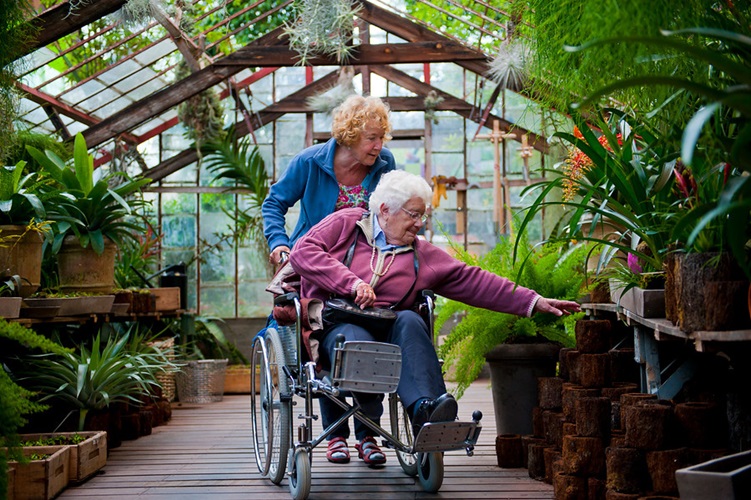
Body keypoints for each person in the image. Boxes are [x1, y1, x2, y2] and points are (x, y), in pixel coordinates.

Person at [288, 170, 582, 457]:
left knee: (411, 320)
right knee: (358, 340)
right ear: (385, 210)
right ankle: (358, 432)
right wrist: (350, 282)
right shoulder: (347, 224)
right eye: (413, 214)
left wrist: (534, 301)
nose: (419, 223)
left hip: (389, 326)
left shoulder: (421, 254)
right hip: (340, 323)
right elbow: (304, 252)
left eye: (422, 215)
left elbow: (475, 280)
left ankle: (428, 411)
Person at [261, 94, 396, 466]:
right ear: (349, 135)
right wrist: (280, 244)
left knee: (372, 337)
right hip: (316, 268)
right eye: (371, 137)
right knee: (320, 338)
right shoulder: (309, 163)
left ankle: (370, 435)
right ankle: (335, 435)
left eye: (382, 137)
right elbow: (274, 203)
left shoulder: (384, 164)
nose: (378, 146)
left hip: (366, 270)